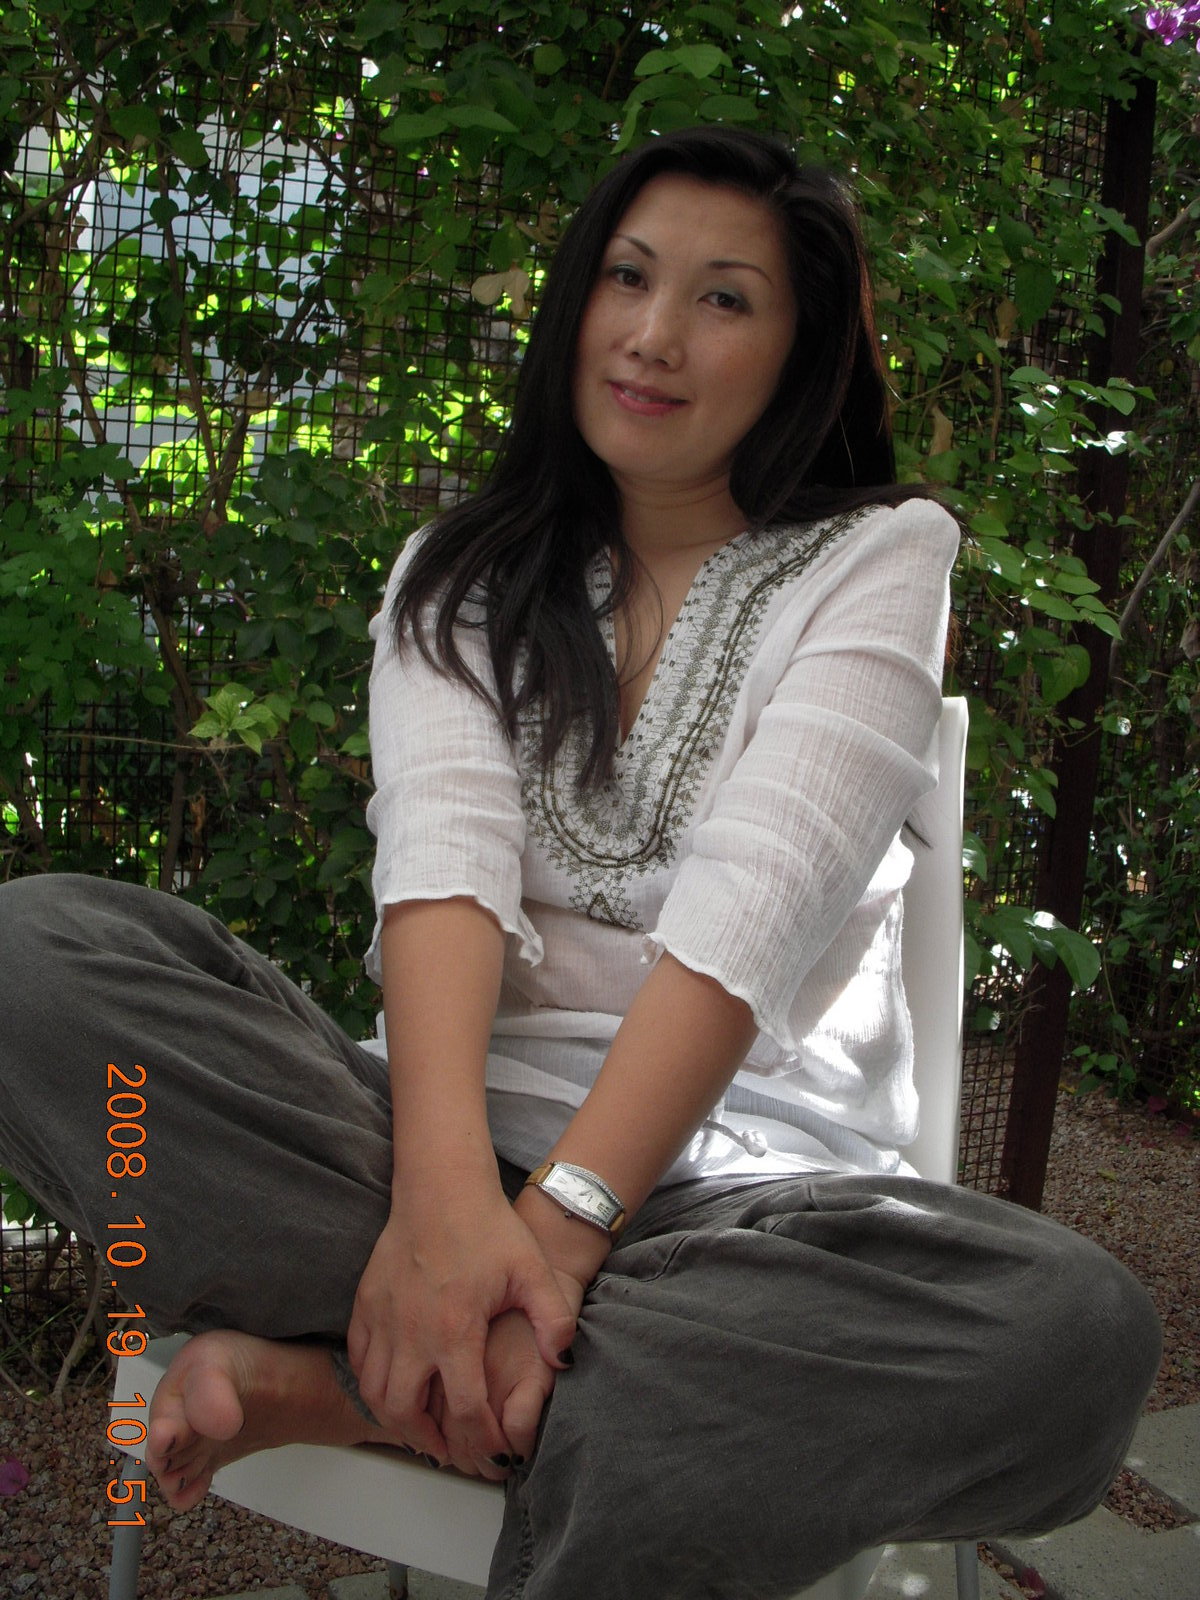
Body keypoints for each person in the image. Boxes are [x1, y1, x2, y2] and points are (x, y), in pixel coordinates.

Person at [0, 127, 1159, 1599]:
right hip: (415, 1160)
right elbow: (443, 872)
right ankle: (527, 1362)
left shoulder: (878, 558)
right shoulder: (461, 576)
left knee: (1072, 1338)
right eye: (627, 276)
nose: (654, 335)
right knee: (31, 960)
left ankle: (361, 1385)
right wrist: (445, 1213)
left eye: (724, 298)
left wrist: (557, 1238)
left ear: (800, 351)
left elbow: (751, 911)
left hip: (742, 1217)